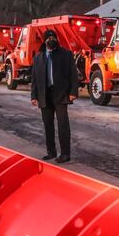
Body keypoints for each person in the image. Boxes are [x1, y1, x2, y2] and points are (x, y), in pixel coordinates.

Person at [31, 29, 78, 164]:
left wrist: (73, 92)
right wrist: (34, 96)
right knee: (48, 124)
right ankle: (51, 151)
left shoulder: (66, 54)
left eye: (53, 37)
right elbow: (34, 78)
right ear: (44, 41)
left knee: (63, 124)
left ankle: (65, 153)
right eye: (48, 38)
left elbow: (73, 75)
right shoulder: (38, 57)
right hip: (44, 95)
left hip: (61, 93)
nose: (51, 40)